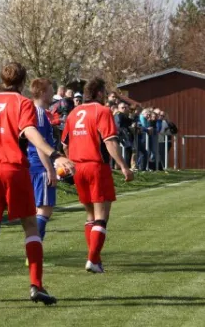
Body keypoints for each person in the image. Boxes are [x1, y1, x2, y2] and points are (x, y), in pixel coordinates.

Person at [0, 62, 73, 310]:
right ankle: (36, 286)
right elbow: (29, 131)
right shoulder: (23, 103)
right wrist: (54, 155)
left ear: (2, 79)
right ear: (23, 82)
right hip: (14, 170)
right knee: (31, 226)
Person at [61, 77, 134, 273]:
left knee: (90, 215)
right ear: (100, 93)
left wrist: (70, 163)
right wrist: (124, 166)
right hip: (96, 167)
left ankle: (96, 259)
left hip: (77, 167)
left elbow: (65, 144)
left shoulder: (74, 113)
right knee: (102, 216)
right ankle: (92, 259)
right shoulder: (102, 111)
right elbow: (110, 141)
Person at [27, 78, 57, 245]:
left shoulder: (38, 112)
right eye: (51, 90)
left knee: (40, 210)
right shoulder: (37, 112)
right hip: (39, 167)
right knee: (44, 209)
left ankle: (34, 250)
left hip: (35, 166)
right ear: (43, 92)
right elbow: (39, 144)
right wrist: (50, 169)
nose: (53, 93)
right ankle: (33, 250)